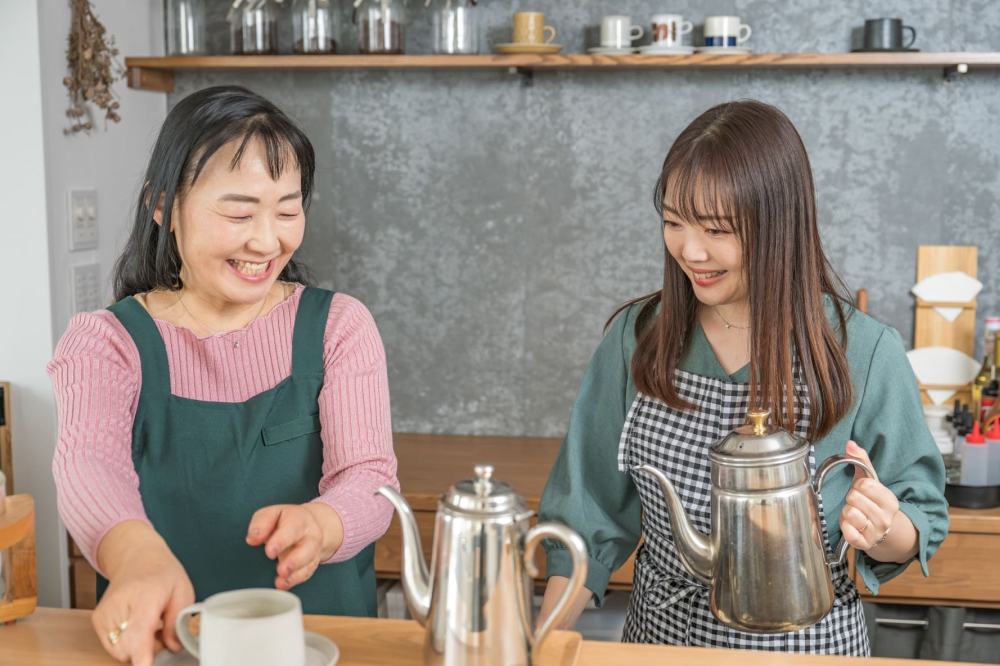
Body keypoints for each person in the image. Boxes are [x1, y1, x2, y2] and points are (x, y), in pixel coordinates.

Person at [536, 100, 948, 655]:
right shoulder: (639, 337)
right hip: (661, 645)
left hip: (808, 647)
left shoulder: (865, 351)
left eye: (716, 229)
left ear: (779, 226)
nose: (690, 249)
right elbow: (586, 518)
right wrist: (539, 644)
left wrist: (884, 527)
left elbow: (918, 518)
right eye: (674, 222)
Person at [48, 85, 399, 666]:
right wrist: (136, 555)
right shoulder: (106, 343)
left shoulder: (339, 326)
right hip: (168, 648)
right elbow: (88, 465)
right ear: (162, 205)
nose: (267, 240)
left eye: (288, 210)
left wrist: (325, 522)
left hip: (322, 645)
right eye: (238, 212)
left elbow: (370, 477)